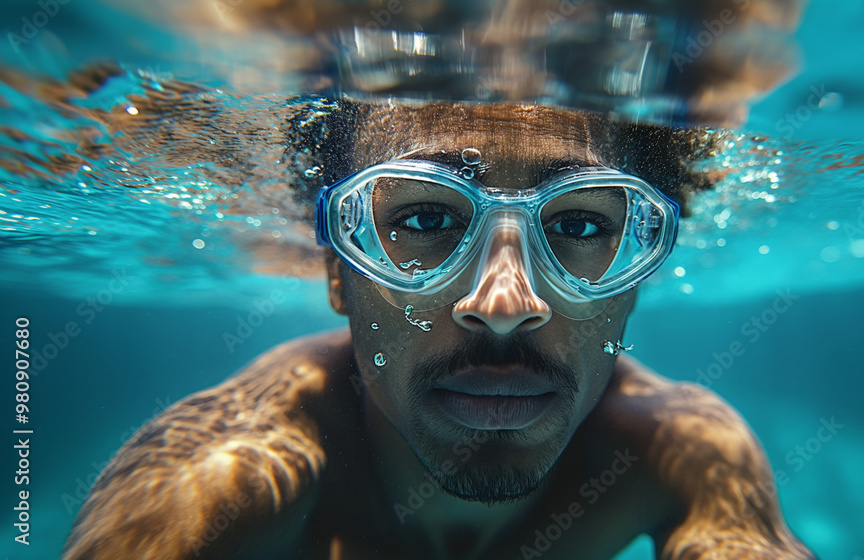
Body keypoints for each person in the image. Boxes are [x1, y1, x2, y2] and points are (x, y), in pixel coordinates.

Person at [62, 100, 816, 560]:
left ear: (637, 273)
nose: (504, 301)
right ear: (336, 271)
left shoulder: (679, 455)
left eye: (582, 223)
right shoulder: (228, 481)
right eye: (424, 219)